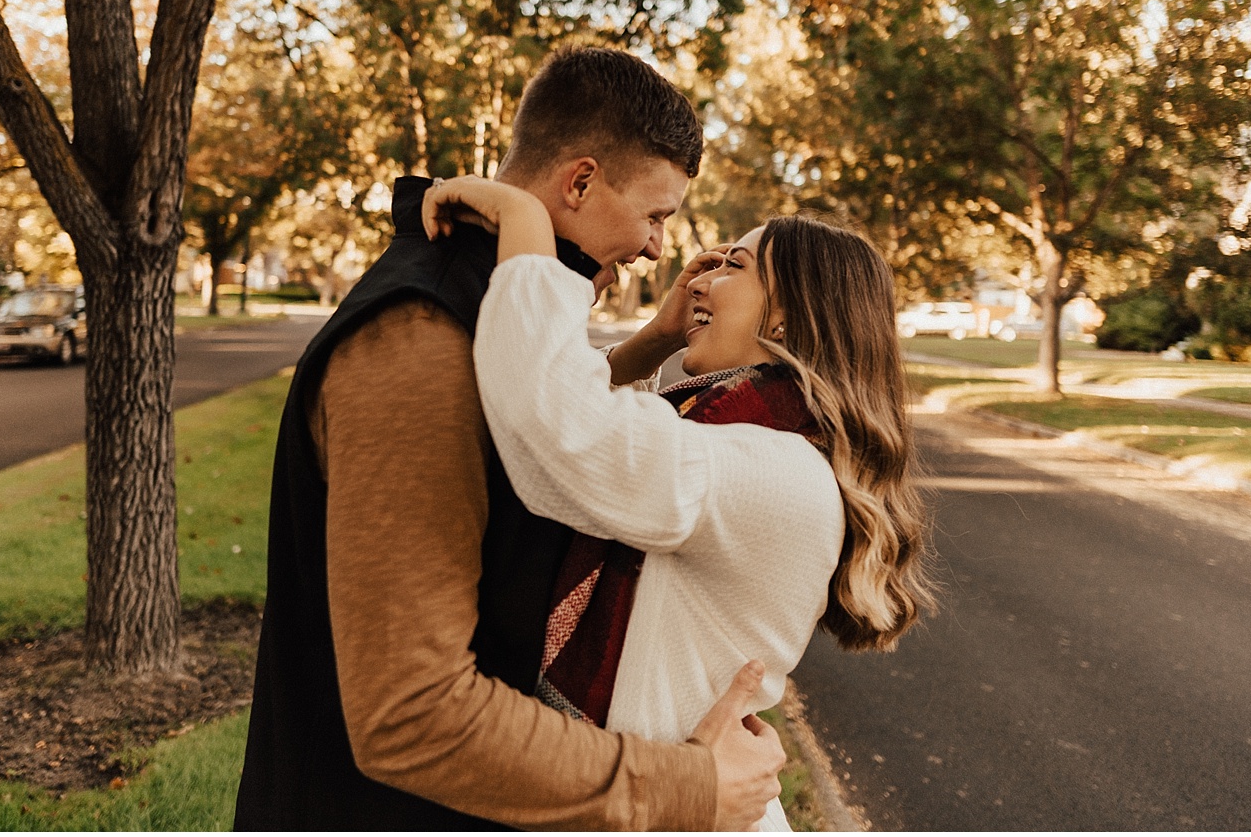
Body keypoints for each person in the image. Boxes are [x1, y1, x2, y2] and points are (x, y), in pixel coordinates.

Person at [234, 46, 786, 831]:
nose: (661, 248)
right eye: (656, 215)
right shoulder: (419, 339)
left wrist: (650, 345)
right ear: (582, 182)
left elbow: (538, 411)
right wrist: (687, 785)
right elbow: (413, 714)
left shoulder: (479, 306)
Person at [422, 177, 940, 830]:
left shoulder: (773, 471)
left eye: (734, 266)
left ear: (784, 317)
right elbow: (612, 428)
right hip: (671, 799)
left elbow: (561, 428)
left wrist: (527, 228)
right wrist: (661, 336)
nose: (700, 278)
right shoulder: (747, 437)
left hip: (683, 810)